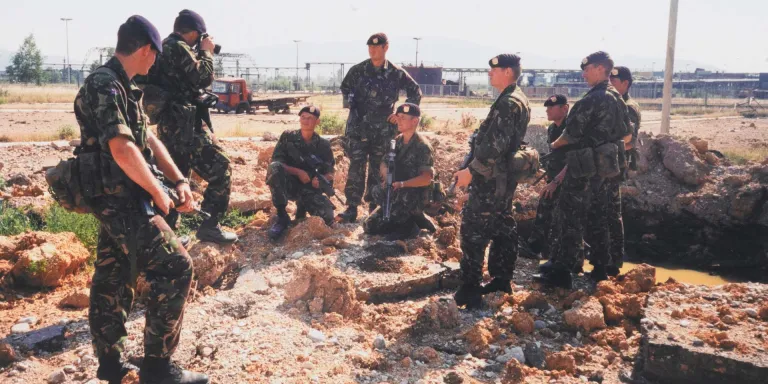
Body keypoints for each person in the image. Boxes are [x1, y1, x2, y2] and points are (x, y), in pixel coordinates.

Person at [74, 15, 208, 384]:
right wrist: (157, 192)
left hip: (121, 197)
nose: (155, 62)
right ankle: (157, 368)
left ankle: (111, 365)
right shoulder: (105, 84)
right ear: (147, 49)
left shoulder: (124, 86)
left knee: (113, 277)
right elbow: (121, 148)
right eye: (155, 55)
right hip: (121, 200)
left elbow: (147, 139)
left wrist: (178, 179)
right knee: (176, 266)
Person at [539, 51, 630, 288]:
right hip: (606, 168)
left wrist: (555, 144)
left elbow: (571, 134)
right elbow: (626, 132)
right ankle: (600, 269)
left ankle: (562, 270)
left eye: (587, 69)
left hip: (584, 168)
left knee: (570, 216)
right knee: (599, 218)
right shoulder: (618, 98)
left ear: (600, 69)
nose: (584, 73)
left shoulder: (592, 99)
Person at [150, 9, 237, 244]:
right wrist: (207, 52)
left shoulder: (162, 48)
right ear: (195, 33)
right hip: (186, 126)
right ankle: (210, 226)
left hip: (171, 125)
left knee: (174, 178)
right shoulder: (177, 47)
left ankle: (166, 237)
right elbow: (203, 77)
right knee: (221, 167)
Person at [452, 54, 530, 309]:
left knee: (474, 231)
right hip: (502, 177)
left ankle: (470, 289)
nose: (490, 74)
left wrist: (470, 172)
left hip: (489, 177)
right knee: (502, 225)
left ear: (507, 72)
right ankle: (501, 279)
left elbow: (493, 147)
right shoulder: (517, 98)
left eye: (494, 70)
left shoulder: (508, 103)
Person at [336, 33, 422, 223]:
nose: (373, 50)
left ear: (385, 48)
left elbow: (415, 91)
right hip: (358, 127)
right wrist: (351, 103)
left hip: (383, 128)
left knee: (378, 167)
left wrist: (400, 113)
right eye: (370, 47)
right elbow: (345, 87)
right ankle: (352, 207)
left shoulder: (395, 72)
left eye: (377, 47)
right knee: (356, 167)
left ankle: (374, 207)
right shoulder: (358, 70)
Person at [363, 103, 435, 240]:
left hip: (413, 193)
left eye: (403, 117)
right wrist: (386, 176)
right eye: (398, 117)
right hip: (397, 191)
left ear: (415, 121)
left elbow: (426, 179)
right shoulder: (397, 141)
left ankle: (412, 224)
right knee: (369, 225)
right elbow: (384, 162)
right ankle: (408, 220)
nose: (399, 120)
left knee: (394, 230)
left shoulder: (423, 146)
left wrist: (402, 184)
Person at [595, 65, 642, 276]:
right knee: (607, 212)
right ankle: (607, 260)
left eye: (615, 81)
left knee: (611, 214)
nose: (611, 84)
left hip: (615, 166)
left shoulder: (627, 106)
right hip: (609, 164)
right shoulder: (616, 103)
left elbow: (629, 140)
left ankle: (612, 262)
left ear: (625, 84)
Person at [267, 106, 335, 239]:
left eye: (310, 118)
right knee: (274, 168)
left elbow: (330, 172)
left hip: (310, 188)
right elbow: (277, 162)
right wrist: (297, 172)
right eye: (303, 117)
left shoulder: (324, 145)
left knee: (327, 217)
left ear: (317, 122)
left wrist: (320, 181)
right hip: (289, 184)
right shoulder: (288, 137)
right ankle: (282, 216)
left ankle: (302, 208)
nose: (305, 120)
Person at [523, 94, 570, 261]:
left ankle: (567, 259)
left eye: (552, 107)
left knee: (565, 220)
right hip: (554, 179)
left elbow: (573, 161)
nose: (547, 110)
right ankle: (536, 249)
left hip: (568, 181)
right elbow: (555, 156)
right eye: (547, 107)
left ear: (565, 109)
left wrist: (557, 181)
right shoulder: (552, 129)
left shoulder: (572, 129)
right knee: (544, 211)